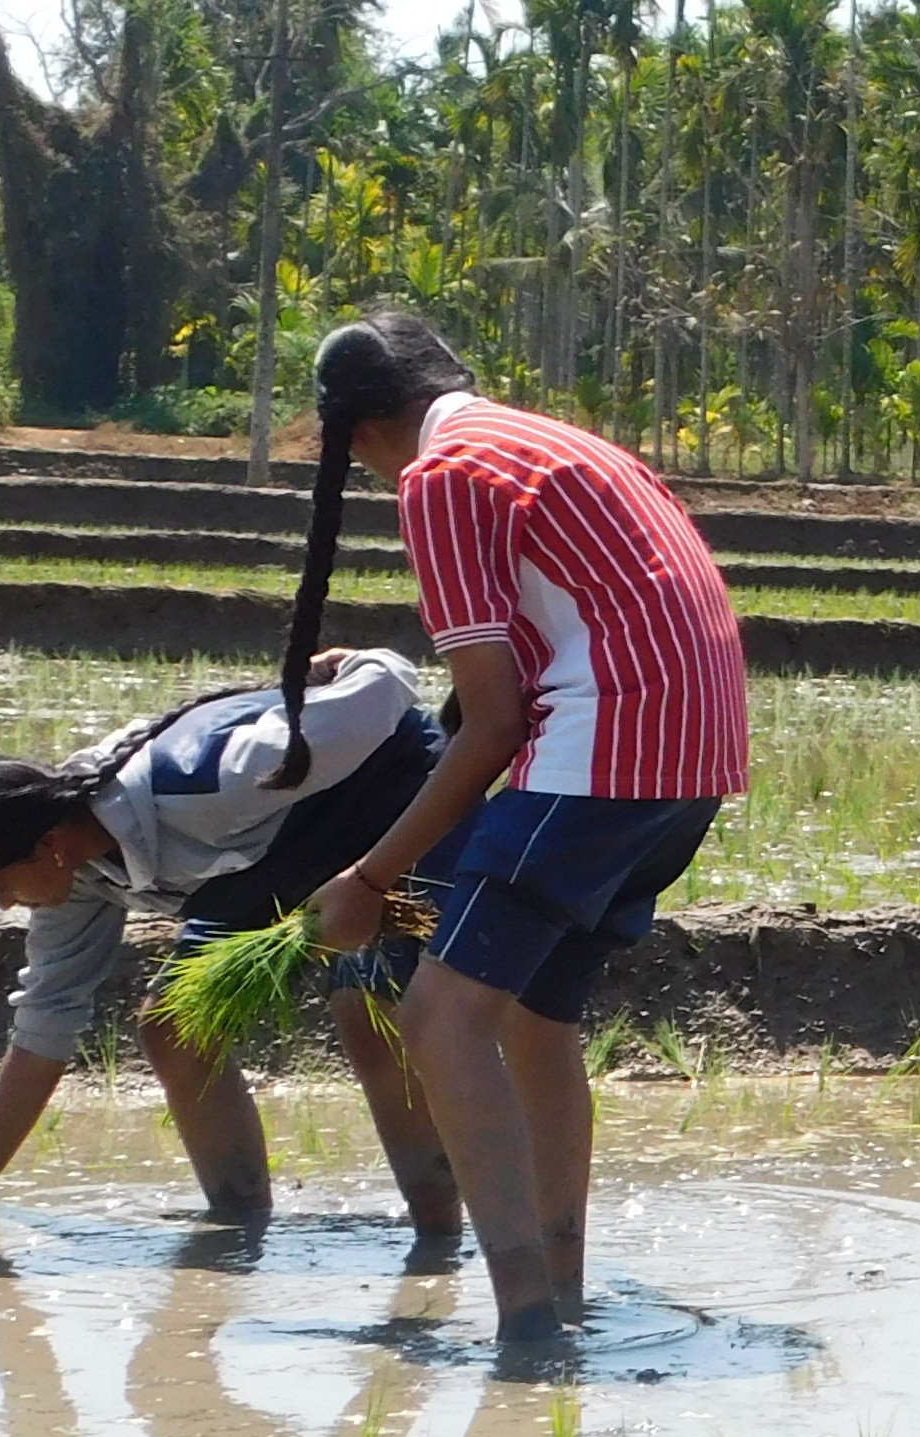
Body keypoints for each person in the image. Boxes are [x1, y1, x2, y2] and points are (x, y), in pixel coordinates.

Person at [286, 312, 747, 1348]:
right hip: (696, 754)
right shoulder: (558, 442)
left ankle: (527, 1330)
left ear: (362, 435)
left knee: (441, 1019)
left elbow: (493, 722)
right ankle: (565, 1293)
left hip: (607, 748)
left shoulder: (438, 478)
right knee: (536, 1019)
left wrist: (371, 878)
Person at [0, 657, 459, 1232]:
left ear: (47, 843)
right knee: (175, 1026)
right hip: (268, 865)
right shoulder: (75, 874)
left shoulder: (217, 780)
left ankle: (436, 1233)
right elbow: (46, 1022)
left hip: (398, 809)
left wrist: (359, 661)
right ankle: (237, 1225)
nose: (4, 905)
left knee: (367, 1007)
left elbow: (389, 691)